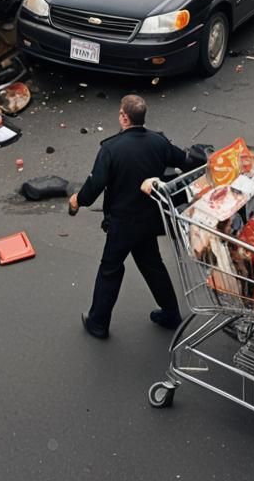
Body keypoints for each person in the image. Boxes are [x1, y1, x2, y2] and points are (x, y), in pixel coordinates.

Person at [69, 94, 188, 338]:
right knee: (152, 265)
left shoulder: (111, 149)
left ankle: (98, 323)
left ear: (124, 117)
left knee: (110, 269)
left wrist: (77, 201)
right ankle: (171, 313)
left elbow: (96, 185)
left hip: (122, 223)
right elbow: (183, 161)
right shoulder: (159, 142)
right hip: (149, 220)